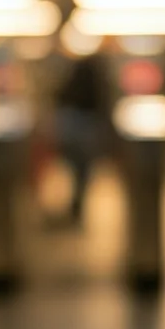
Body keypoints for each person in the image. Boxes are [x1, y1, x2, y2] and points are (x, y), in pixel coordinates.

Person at [52, 52, 108, 228]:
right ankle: (76, 205)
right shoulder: (96, 77)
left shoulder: (71, 76)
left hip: (75, 125)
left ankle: (74, 204)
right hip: (86, 126)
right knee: (82, 170)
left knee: (74, 169)